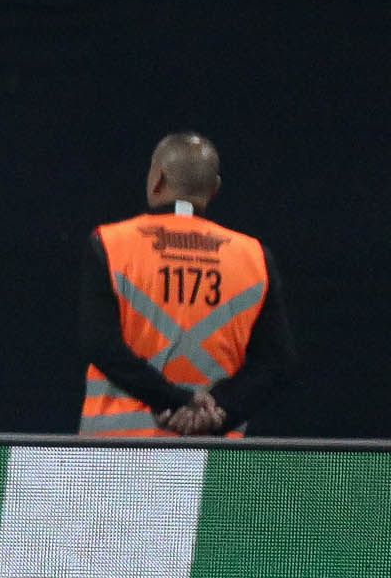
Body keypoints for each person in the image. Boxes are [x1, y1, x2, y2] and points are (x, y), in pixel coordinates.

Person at [80, 131, 294, 438]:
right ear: (214, 189)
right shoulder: (254, 257)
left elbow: (100, 345)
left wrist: (174, 400)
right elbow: (277, 362)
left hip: (115, 454)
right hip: (212, 455)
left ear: (157, 179)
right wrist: (219, 411)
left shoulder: (111, 244)